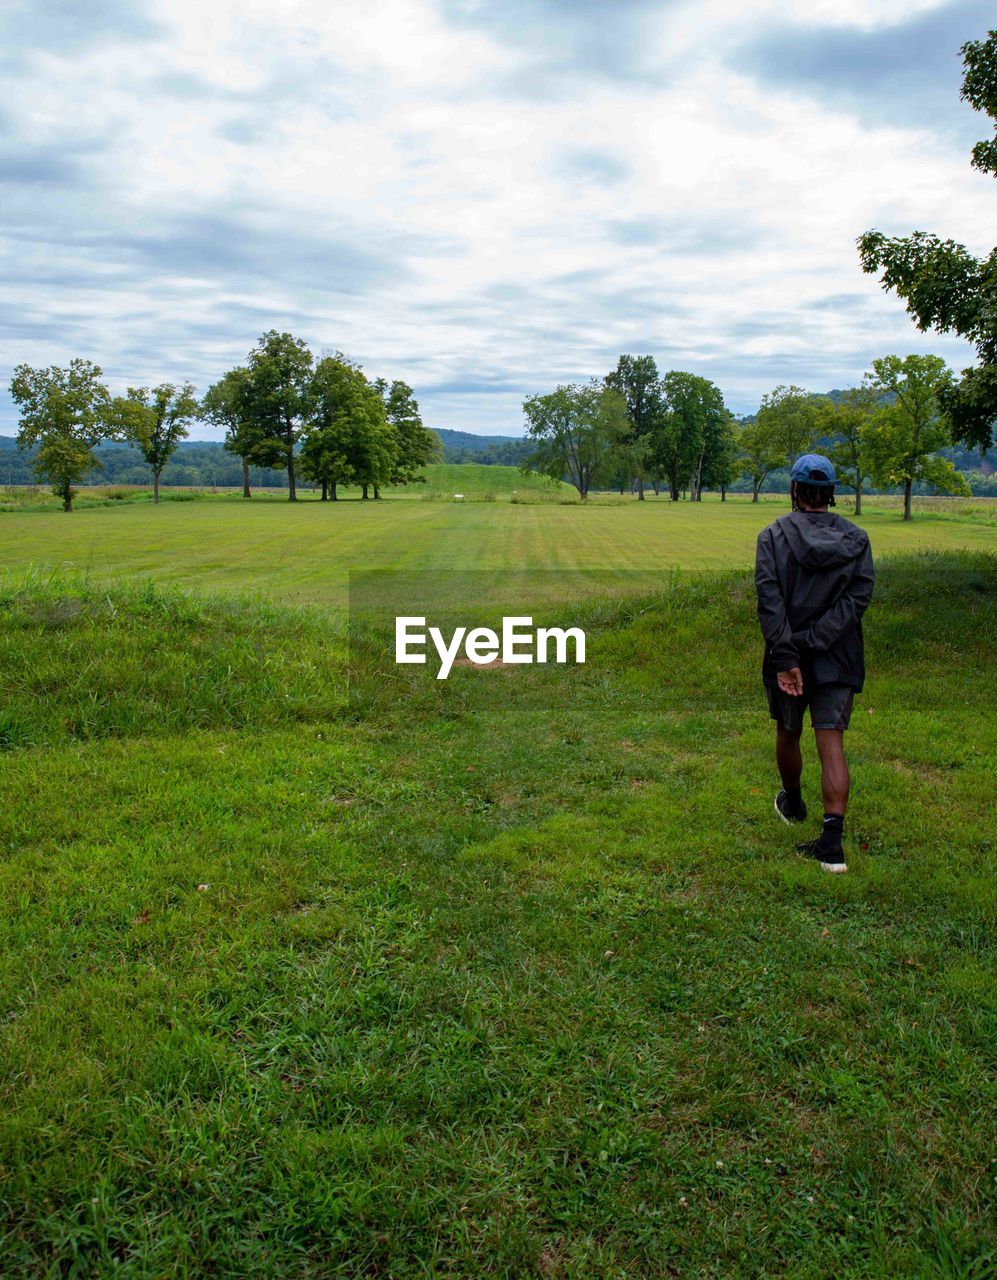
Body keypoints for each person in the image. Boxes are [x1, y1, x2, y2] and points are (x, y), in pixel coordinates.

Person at [755, 454, 874, 873]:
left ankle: (793, 801)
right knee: (832, 742)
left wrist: (790, 656)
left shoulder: (772, 536)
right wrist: (820, 640)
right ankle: (832, 842)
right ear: (831, 494)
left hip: (789, 657)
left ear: (794, 490)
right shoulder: (857, 539)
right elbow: (857, 600)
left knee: (788, 732)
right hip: (838, 657)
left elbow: (770, 603)